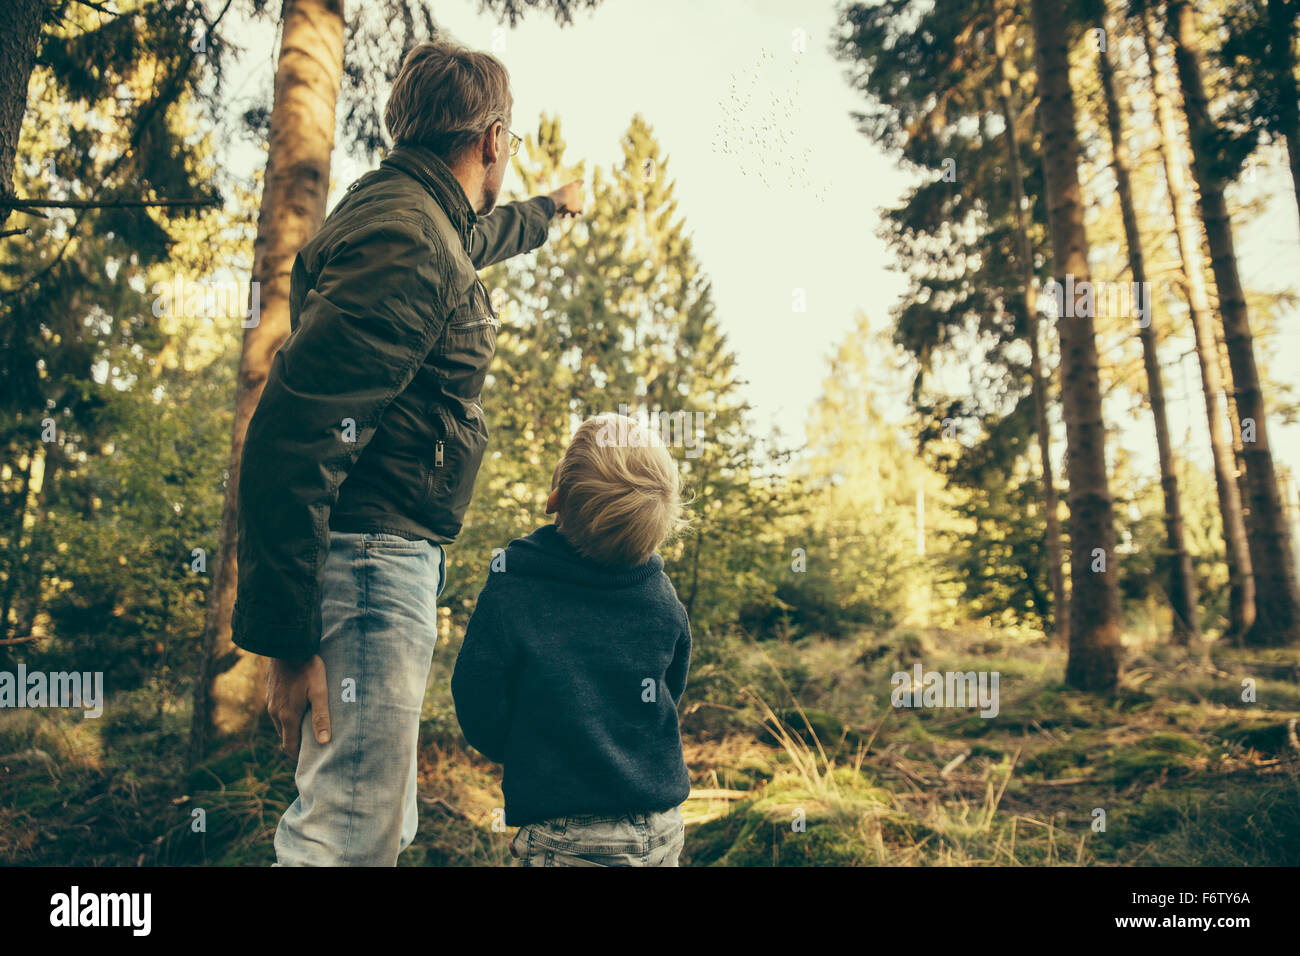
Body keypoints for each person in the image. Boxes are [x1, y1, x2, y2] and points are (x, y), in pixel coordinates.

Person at [230, 37, 584, 866]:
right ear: (492, 139)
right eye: (513, 141)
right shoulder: (413, 242)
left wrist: (551, 210)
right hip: (365, 565)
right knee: (349, 836)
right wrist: (287, 642)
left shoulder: (409, 216)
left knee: (375, 825)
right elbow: (293, 433)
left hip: (376, 560)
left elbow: (480, 236)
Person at [451, 413, 695, 866]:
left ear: (556, 498)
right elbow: (667, 692)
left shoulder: (515, 585)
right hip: (662, 824)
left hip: (566, 834)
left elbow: (476, 697)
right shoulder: (661, 598)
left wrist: (529, 747)